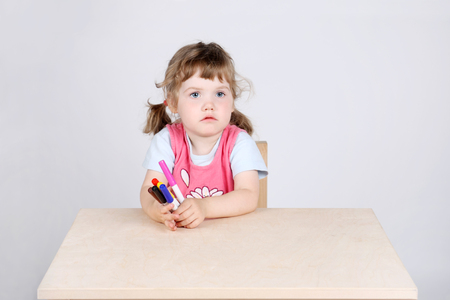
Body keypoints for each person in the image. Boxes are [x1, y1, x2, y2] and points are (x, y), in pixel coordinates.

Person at [140, 42, 268, 231]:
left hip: (230, 239)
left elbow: (248, 196)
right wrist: (156, 210)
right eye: (195, 94)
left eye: (219, 93)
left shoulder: (239, 143)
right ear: (174, 103)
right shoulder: (166, 140)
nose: (209, 104)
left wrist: (205, 207)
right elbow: (147, 191)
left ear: (233, 101)